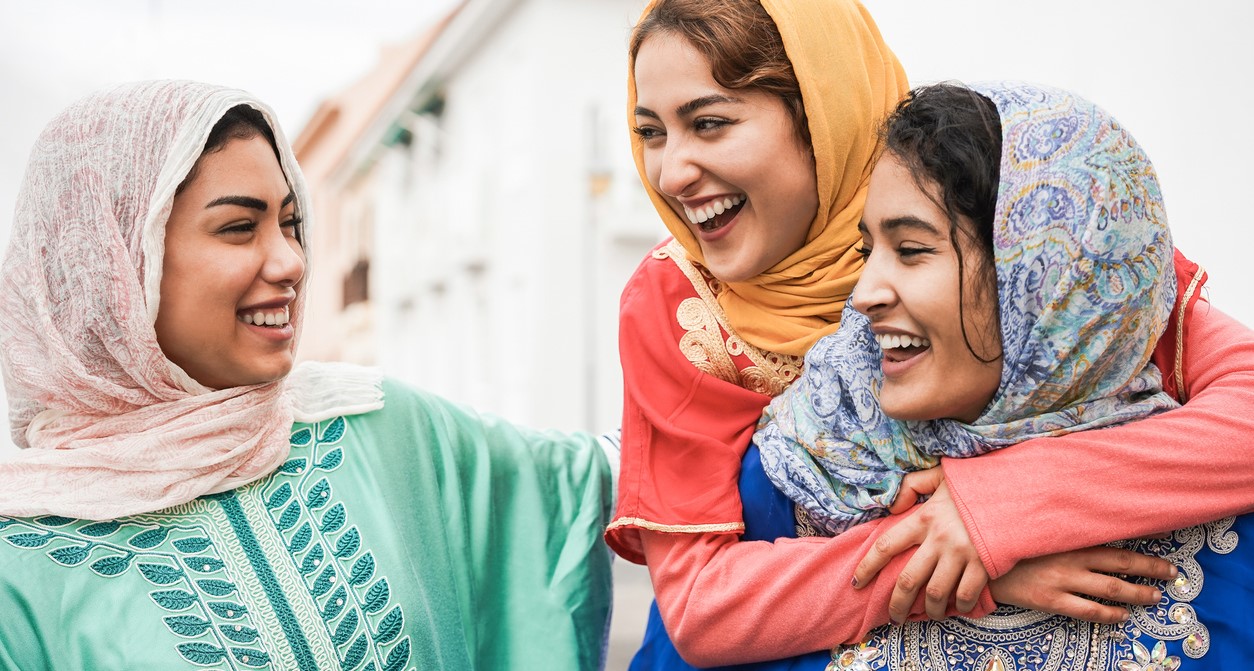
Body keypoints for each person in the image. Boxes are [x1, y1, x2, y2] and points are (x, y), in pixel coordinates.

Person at [606, 0, 1254, 667]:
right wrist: (947, 564)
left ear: (823, 115)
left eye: (709, 123)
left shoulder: (1012, 203)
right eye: (650, 132)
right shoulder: (681, 304)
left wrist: (1004, 502)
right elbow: (700, 605)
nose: (670, 172)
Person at [0, 80, 614, 670]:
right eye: (240, 227)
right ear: (113, 268)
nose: (292, 261)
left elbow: (591, 480)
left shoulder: (381, 429)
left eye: (291, 223)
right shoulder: (17, 565)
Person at [753, 80, 1254, 669]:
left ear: (1043, 282)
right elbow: (696, 622)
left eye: (912, 250)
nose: (862, 296)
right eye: (869, 253)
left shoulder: (1220, 515)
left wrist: (1000, 505)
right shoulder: (804, 470)